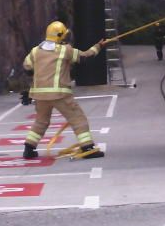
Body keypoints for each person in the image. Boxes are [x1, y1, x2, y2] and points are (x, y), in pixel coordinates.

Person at [21, 21, 106, 160]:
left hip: (40, 96)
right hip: (59, 94)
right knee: (77, 118)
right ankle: (87, 147)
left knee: (41, 121)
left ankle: (29, 148)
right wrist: (98, 46)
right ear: (60, 36)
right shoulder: (65, 50)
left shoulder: (35, 51)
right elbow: (85, 56)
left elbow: (27, 68)